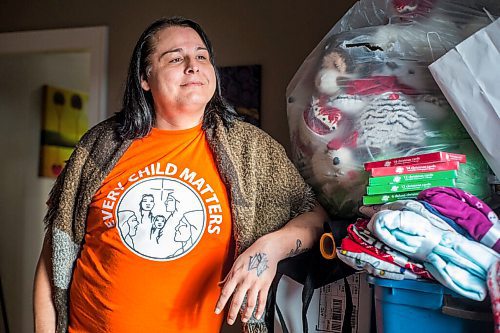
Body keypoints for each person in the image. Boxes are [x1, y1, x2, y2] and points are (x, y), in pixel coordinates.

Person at [33, 16, 327, 333]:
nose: (193, 65)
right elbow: (55, 256)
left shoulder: (251, 152)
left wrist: (271, 248)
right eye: (175, 58)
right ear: (145, 78)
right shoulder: (100, 146)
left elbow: (315, 216)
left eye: (202, 56)